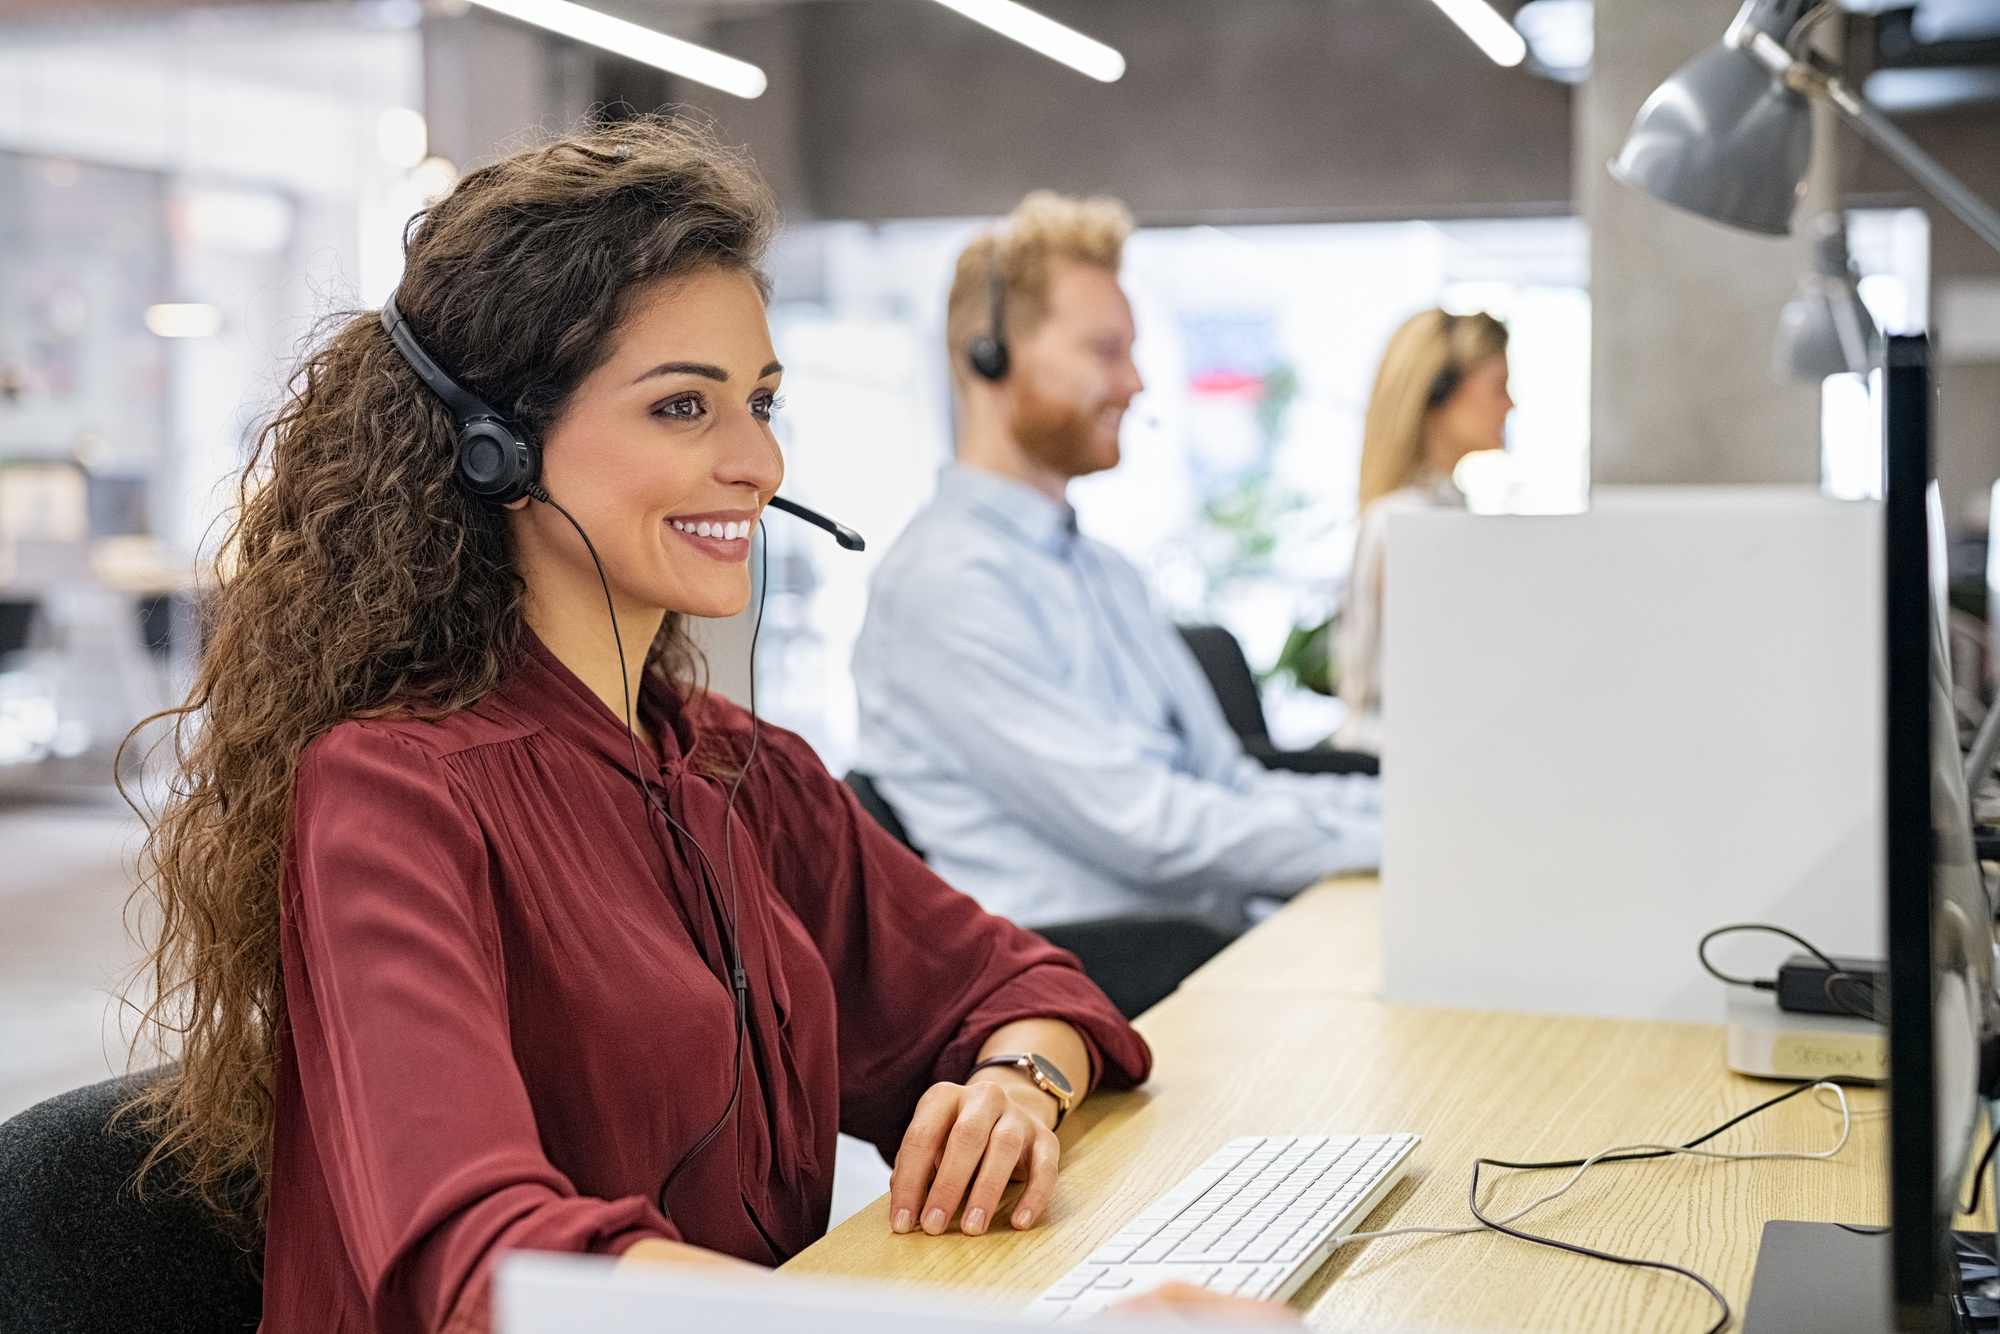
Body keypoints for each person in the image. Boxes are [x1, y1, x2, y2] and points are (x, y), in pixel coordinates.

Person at [118, 122, 1158, 1334]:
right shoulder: (390, 795)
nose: (758, 461)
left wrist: (1014, 1087)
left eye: (761, 403)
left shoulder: (737, 767)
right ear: (496, 445)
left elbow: (1025, 984)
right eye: (682, 407)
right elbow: (491, 1265)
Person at [851, 192, 1380, 992]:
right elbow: (1151, 830)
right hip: (1088, 985)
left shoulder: (1105, 573)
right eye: (1105, 350)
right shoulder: (946, 585)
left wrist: (1407, 823)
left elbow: (1227, 783)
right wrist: (1411, 843)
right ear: (988, 355)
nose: (1134, 383)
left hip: (1206, 954)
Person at [1334, 309, 1511, 756]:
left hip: (1417, 759)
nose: (1510, 405)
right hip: (1393, 766)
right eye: (1498, 387)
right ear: (1439, 392)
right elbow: (1451, 680)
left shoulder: (1435, 512)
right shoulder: (1412, 524)